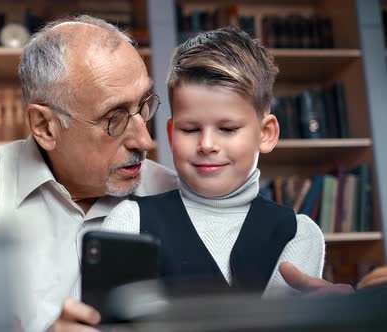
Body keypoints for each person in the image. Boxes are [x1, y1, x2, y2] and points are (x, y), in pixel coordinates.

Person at [0, 15, 178, 332]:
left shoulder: (174, 196)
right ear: (45, 127)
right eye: (114, 118)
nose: (145, 140)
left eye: (144, 105)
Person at [102, 27, 324, 297]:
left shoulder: (299, 234)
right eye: (191, 129)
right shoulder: (129, 222)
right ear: (171, 136)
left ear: (266, 134)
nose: (207, 145)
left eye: (228, 129)